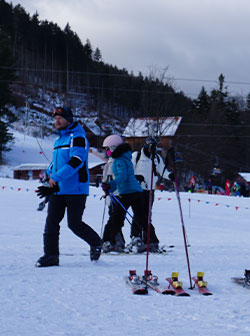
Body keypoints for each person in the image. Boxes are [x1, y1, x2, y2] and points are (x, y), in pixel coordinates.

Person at [35, 107, 102, 267]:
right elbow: (56, 162)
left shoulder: (78, 138)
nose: (56, 121)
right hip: (58, 189)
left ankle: (96, 242)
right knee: (51, 222)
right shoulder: (58, 141)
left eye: (60, 118)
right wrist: (49, 174)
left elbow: (76, 161)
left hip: (76, 189)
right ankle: (51, 256)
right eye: (55, 118)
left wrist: (57, 177)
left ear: (69, 120)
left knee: (74, 224)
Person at [101, 134, 160, 253]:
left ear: (113, 148)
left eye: (107, 149)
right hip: (136, 192)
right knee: (142, 218)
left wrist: (110, 185)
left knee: (116, 219)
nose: (106, 152)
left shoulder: (118, 161)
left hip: (128, 193)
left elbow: (122, 177)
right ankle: (153, 242)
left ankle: (113, 243)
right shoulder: (125, 158)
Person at [131, 136, 170, 248]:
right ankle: (135, 236)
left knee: (147, 214)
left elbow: (162, 171)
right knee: (139, 214)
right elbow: (130, 169)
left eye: (153, 149)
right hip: (138, 189)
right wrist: (136, 177)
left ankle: (146, 237)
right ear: (145, 147)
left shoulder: (156, 158)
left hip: (150, 190)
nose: (151, 151)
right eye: (149, 148)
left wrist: (170, 176)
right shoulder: (137, 156)